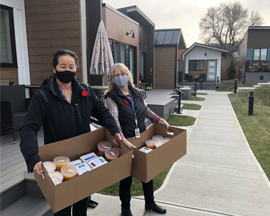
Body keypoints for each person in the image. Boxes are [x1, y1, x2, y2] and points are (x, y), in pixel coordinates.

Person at [20, 49, 121, 216]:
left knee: (82, 202)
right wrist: (32, 156)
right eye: (63, 66)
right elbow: (28, 127)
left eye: (71, 66)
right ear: (54, 68)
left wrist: (115, 131)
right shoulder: (43, 97)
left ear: (76, 68)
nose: (67, 70)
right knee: (62, 208)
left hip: (83, 158)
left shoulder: (85, 92)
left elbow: (102, 113)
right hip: (58, 161)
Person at [104, 63, 170, 216]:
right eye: (116, 75)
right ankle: (125, 209)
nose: (120, 77)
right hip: (125, 141)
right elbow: (114, 121)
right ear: (113, 79)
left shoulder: (137, 93)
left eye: (123, 73)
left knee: (148, 172)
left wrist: (159, 119)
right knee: (126, 176)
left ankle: (150, 202)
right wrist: (122, 140)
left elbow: (146, 110)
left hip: (142, 137)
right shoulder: (111, 97)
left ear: (128, 74)